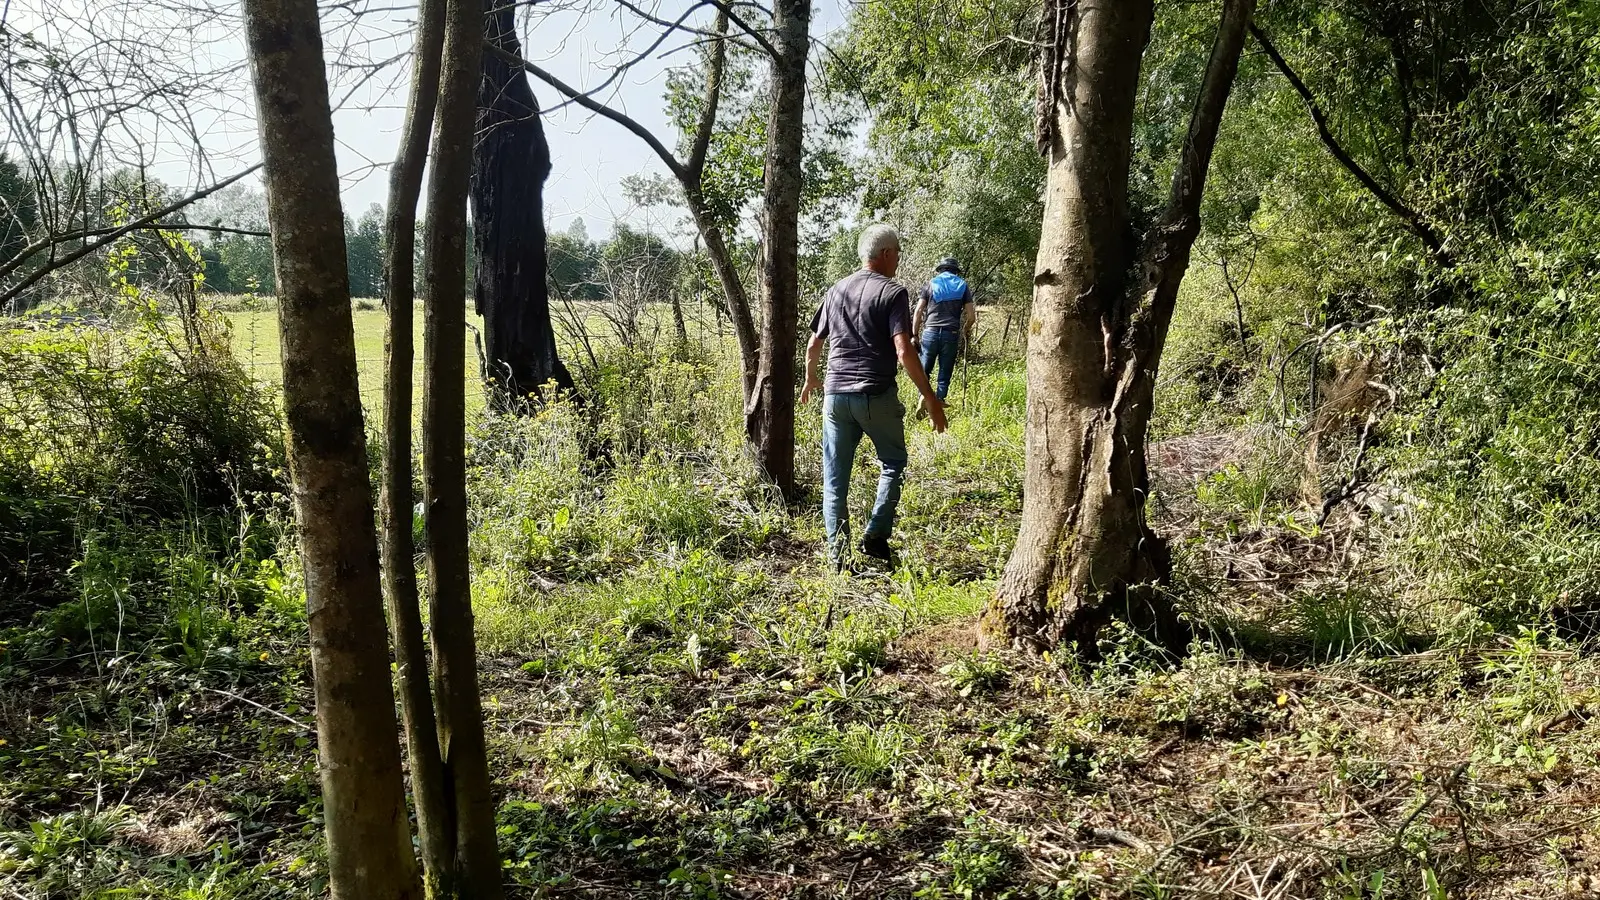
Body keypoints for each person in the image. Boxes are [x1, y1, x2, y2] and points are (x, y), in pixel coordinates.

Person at [800, 224, 947, 571]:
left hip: (835, 397)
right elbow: (903, 350)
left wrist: (811, 379)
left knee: (835, 481)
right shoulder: (893, 293)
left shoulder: (836, 290)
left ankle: (837, 559)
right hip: (875, 394)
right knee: (893, 462)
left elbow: (813, 344)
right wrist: (929, 396)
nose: (898, 259)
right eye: (897, 252)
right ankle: (876, 537)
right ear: (884, 254)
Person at [911, 256, 976, 401]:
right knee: (944, 374)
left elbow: (918, 311)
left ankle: (923, 397)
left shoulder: (931, 284)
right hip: (951, 333)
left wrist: (914, 334)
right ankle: (939, 402)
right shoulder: (963, 285)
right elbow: (971, 316)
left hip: (930, 333)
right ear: (955, 271)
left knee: (924, 371)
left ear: (940, 270)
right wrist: (966, 329)